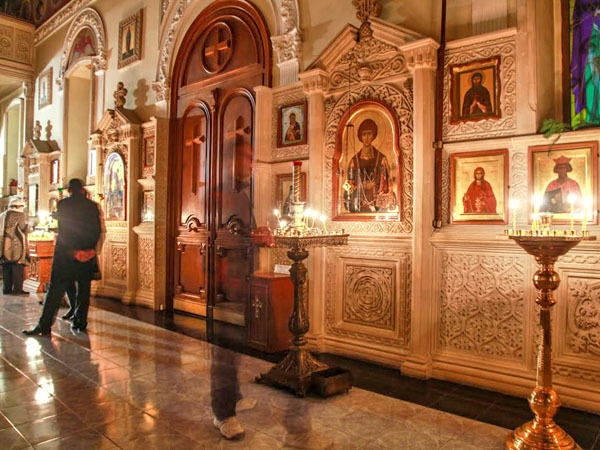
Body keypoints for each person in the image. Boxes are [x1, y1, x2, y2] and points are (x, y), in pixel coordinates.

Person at [23, 179, 101, 336]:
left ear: (69, 190)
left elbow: (66, 231)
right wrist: (89, 250)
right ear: (82, 190)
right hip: (86, 255)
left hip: (66, 255)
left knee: (55, 291)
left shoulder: (64, 205)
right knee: (84, 290)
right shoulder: (92, 206)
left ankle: (44, 325)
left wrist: (73, 252)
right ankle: (80, 322)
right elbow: (97, 230)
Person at [344, 119, 393, 213]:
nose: (366, 137)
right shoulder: (354, 161)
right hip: (358, 203)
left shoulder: (381, 159)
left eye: (369, 134)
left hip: (377, 203)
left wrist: (375, 185)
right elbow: (348, 185)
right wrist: (359, 186)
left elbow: (387, 182)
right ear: (361, 137)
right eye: (364, 134)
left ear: (373, 136)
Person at [0, 197, 28, 295]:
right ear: (18, 206)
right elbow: (23, 228)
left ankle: (6, 289)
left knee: (6, 267)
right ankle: (17, 289)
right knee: (17, 267)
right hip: (16, 246)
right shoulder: (19, 214)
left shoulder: (2, 215)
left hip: (3, 245)